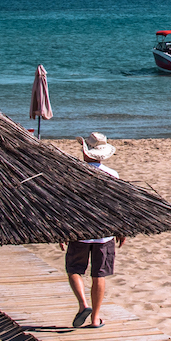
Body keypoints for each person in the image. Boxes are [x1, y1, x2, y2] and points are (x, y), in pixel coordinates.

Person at [61, 132, 125, 329]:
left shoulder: (74, 174)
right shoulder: (113, 175)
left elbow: (66, 205)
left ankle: (83, 304)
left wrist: (62, 230)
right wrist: (121, 229)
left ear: (85, 151)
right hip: (105, 232)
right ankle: (95, 318)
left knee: (74, 269)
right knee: (99, 274)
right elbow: (119, 205)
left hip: (79, 229)